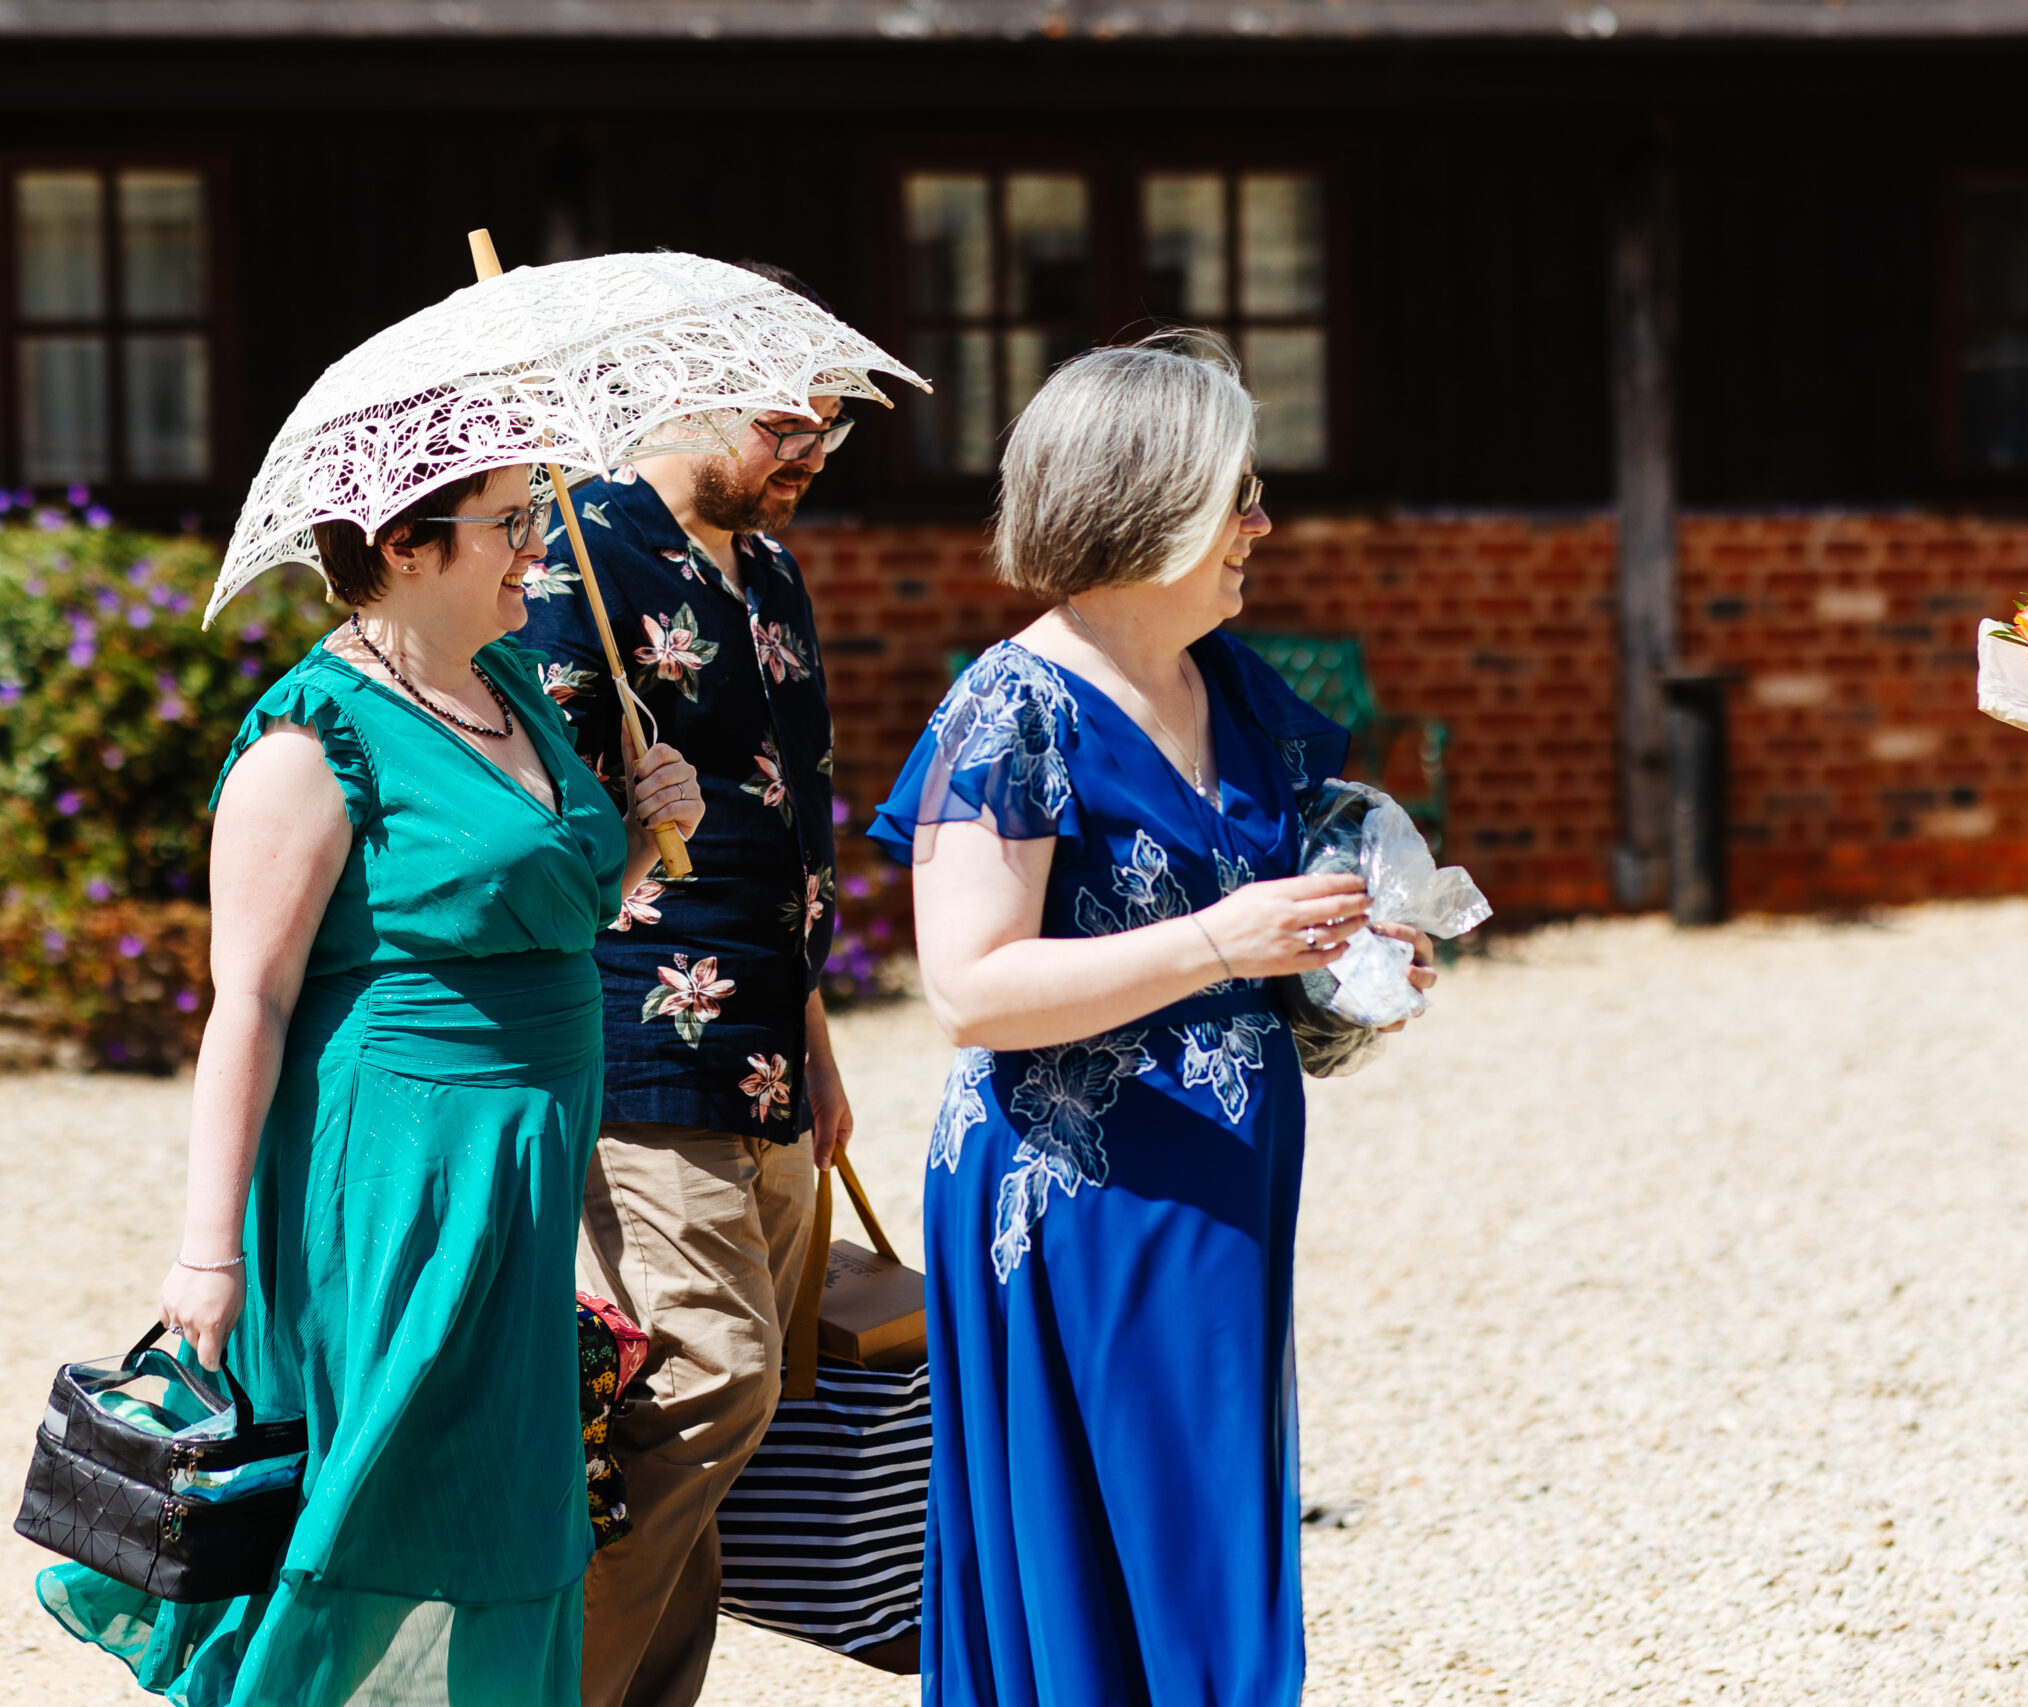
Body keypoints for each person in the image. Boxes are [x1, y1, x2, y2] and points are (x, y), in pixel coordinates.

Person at [35, 462, 704, 1705]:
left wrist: (639, 823)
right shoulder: (312, 736)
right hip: (395, 1176)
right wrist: (206, 1254)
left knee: (514, 1504)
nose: (534, 553)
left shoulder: (506, 684)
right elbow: (253, 1000)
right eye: (509, 525)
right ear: (405, 542)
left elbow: (533, 912)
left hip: (523, 1172)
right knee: (381, 1497)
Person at [870, 333, 1435, 1703]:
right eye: (1237, 493)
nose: (1262, 524)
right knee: (1122, 1545)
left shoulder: (1229, 683)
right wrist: (1217, 939)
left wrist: (1354, 955)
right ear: (1148, 500)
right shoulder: (1007, 710)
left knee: (1214, 1529)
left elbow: (1273, 913)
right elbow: (969, 988)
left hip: (1227, 1175)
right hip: (1080, 1194)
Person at [517, 262, 857, 1707]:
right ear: (691, 376)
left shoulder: (768, 565)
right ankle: (533, 1683)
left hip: (775, 1036)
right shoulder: (572, 546)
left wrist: (826, 1045)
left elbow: (794, 820)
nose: (811, 456)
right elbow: (519, 811)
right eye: (792, 421)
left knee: (728, 1413)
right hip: (637, 1028)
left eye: (834, 432)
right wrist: (620, 801)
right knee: (708, 1378)